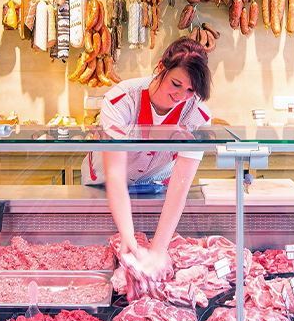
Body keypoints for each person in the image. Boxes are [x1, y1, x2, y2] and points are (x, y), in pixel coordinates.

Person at [81, 37, 213, 277]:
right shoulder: (121, 100)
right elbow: (115, 175)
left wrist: (158, 250)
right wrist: (127, 236)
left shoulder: (198, 114)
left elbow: (180, 186)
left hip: (154, 189)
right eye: (176, 83)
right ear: (161, 67)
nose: (182, 96)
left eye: (191, 90)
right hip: (101, 187)